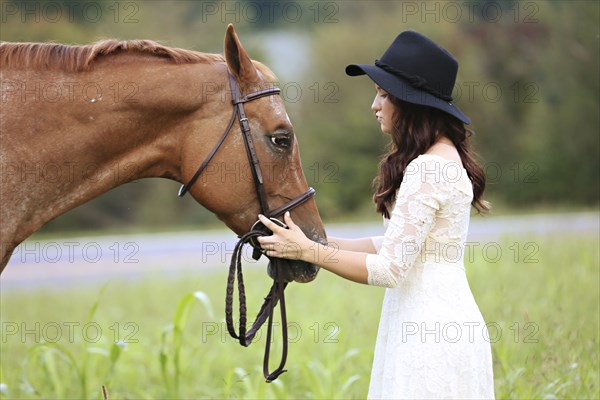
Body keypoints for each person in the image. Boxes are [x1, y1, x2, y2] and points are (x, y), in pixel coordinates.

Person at [257, 30, 495, 399]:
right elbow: (397, 245)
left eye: (384, 94)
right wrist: (312, 240)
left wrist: (308, 253)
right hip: (437, 324)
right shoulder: (443, 159)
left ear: (410, 101)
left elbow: (389, 269)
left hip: (429, 333)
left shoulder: (427, 169)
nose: (375, 105)